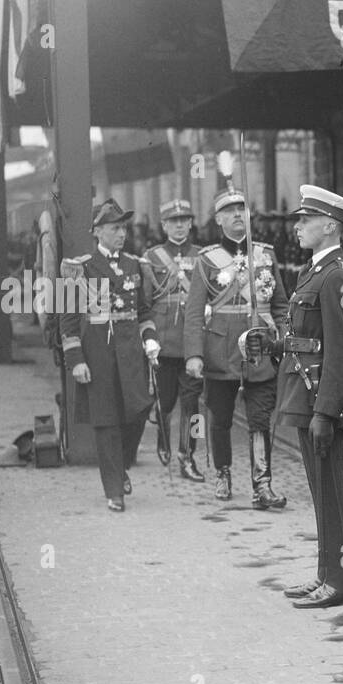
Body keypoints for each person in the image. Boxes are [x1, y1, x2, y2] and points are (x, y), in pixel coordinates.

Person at [250, 186, 343, 609]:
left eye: (305, 220)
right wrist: (273, 344)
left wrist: (326, 412)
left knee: (332, 492)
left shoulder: (338, 277)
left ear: (330, 225)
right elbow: (307, 340)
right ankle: (325, 574)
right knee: (320, 492)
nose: (296, 227)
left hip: (320, 400)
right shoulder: (312, 272)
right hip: (304, 392)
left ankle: (341, 581)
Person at [183, 188, 287, 508]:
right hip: (220, 350)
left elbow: (281, 305)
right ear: (218, 219)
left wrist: (282, 339)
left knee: (259, 418)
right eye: (230, 212)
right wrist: (194, 354)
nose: (237, 216)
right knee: (221, 419)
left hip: (259, 349)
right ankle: (223, 473)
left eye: (242, 210)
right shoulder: (207, 259)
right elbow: (194, 311)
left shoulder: (266, 255)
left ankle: (262, 483)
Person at [60, 199, 161, 512]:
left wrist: (151, 339)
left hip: (131, 354)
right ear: (98, 231)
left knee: (139, 410)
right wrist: (76, 361)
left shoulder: (134, 265)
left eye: (124, 228)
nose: (122, 233)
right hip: (99, 355)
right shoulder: (82, 268)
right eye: (116, 228)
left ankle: (122, 465)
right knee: (106, 422)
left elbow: (143, 312)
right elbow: (69, 319)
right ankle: (114, 489)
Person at [143, 199, 205, 481]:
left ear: (191, 223)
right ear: (164, 225)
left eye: (184, 220)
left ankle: (188, 455)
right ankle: (163, 433)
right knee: (165, 402)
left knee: (193, 405)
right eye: (173, 221)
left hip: (193, 343)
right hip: (165, 341)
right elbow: (144, 304)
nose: (179, 225)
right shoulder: (152, 257)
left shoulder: (204, 256)